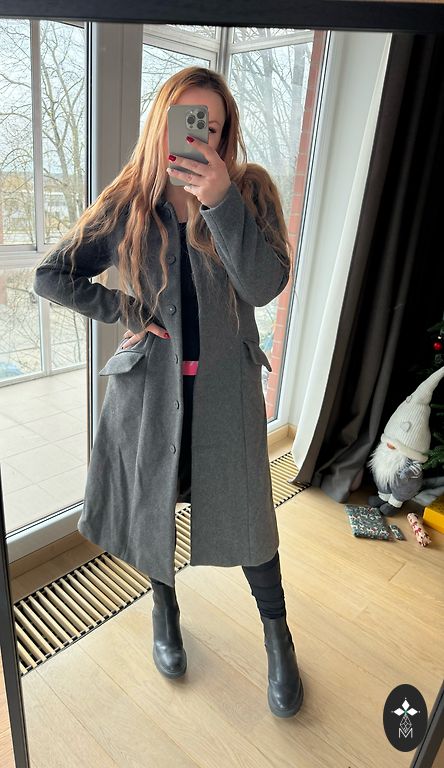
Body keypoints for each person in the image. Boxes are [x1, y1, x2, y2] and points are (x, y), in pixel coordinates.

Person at [32, 66, 303, 718]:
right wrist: (125, 309)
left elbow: (264, 285)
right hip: (150, 393)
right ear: (163, 125)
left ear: (225, 133)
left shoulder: (249, 192)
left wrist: (219, 201)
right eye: (188, 122)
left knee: (251, 520)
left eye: (212, 126)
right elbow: (51, 275)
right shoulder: (128, 201)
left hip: (226, 398)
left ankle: (278, 636)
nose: (199, 137)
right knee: (155, 510)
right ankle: (164, 609)